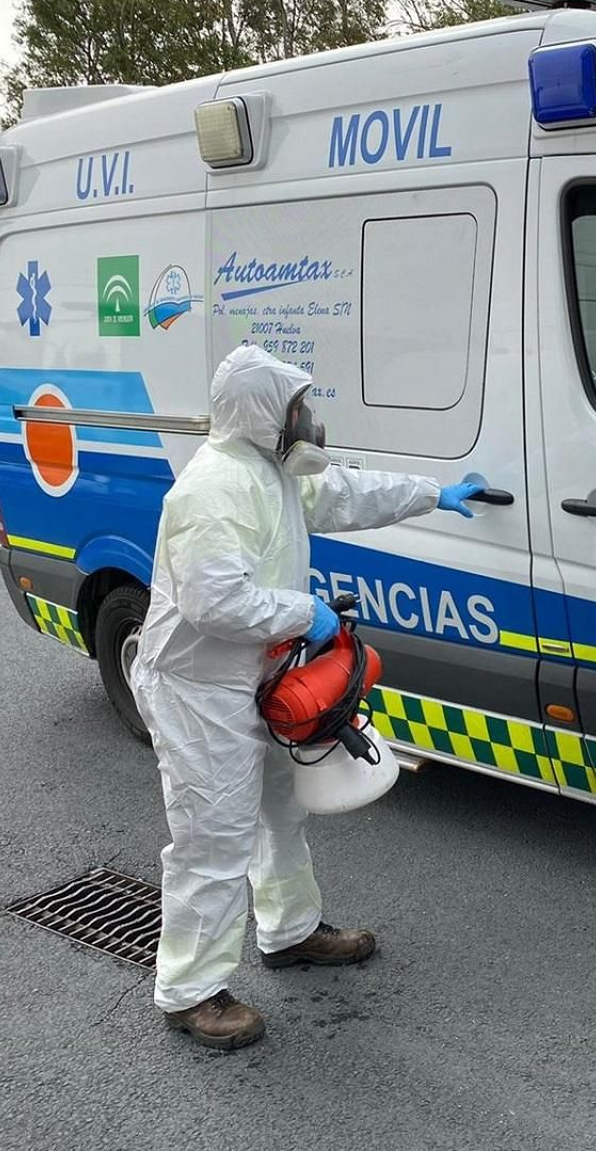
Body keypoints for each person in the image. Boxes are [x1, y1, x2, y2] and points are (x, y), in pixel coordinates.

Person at [131, 344, 485, 1050]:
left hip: (250, 678)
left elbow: (346, 493)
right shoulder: (212, 490)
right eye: (298, 406)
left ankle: (289, 932)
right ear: (265, 413)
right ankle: (190, 992)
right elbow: (214, 603)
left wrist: (431, 493)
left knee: (279, 812)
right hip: (197, 691)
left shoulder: (269, 473)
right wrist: (305, 614)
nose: (309, 418)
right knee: (213, 840)